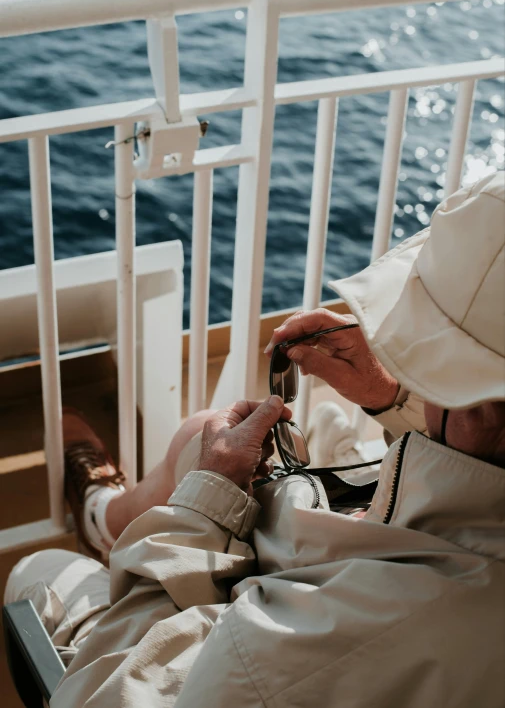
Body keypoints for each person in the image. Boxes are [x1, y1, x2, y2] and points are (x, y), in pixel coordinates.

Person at [5, 172, 505, 707]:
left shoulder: (327, 638)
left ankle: (102, 518)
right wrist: (393, 398)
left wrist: (208, 499)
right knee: (201, 433)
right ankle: (109, 519)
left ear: (475, 403)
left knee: (40, 571)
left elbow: (106, 694)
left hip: (221, 650)